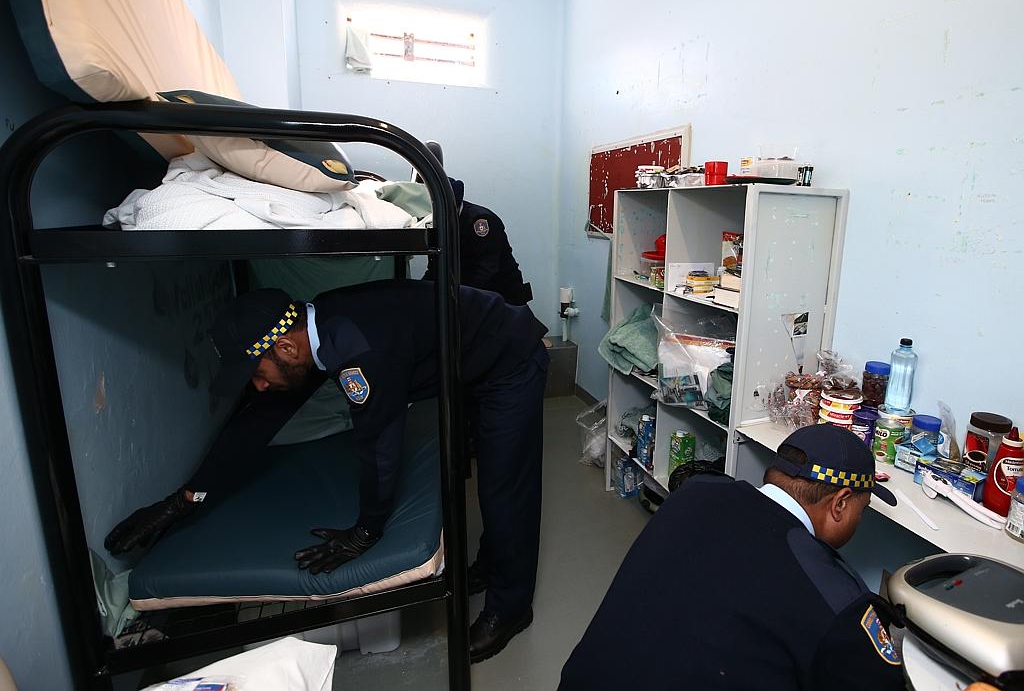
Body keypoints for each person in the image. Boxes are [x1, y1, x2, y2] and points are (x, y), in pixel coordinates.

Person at [105, 279, 548, 662]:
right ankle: (493, 562)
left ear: (284, 347)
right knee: (495, 479)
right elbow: (256, 421)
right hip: (463, 357)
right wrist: (184, 499)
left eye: (256, 373)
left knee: (503, 486)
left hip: (507, 361)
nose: (258, 384)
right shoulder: (312, 331)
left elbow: (379, 447)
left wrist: (366, 531)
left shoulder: (356, 349)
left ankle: (510, 607)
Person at [558, 424, 906, 690]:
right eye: (863, 509)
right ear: (840, 503)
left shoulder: (696, 492)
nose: (860, 519)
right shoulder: (837, 597)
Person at [417, 140, 533, 306]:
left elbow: (486, 269)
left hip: (502, 297)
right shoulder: (440, 222)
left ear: (451, 205)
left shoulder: (480, 221)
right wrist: (420, 292)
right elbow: (435, 267)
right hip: (474, 292)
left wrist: (457, 298)